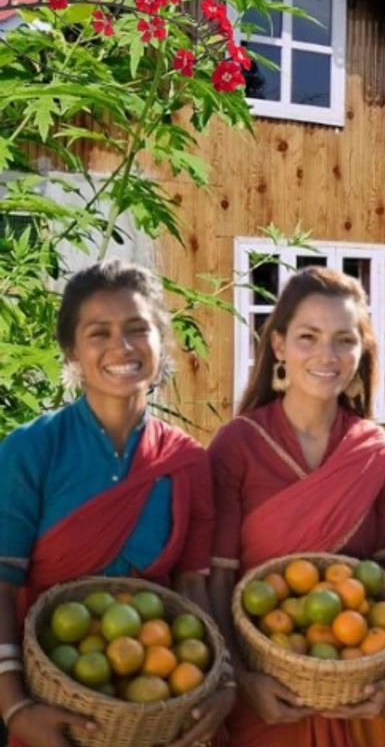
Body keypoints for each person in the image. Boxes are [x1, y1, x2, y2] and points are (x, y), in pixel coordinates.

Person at [0, 259, 233, 747]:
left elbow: (192, 587)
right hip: (50, 704)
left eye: (137, 329)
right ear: (71, 349)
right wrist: (16, 707)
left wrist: (222, 682)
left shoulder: (186, 461)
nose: (120, 347)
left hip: (156, 705)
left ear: (160, 341)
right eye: (98, 333)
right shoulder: (31, 450)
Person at [207, 266, 385, 746]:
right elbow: (213, 581)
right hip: (264, 703)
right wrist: (243, 682)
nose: (326, 355)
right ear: (278, 345)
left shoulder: (375, 450)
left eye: (343, 340)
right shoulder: (237, 446)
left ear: (361, 350)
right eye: (308, 337)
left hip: (357, 694)